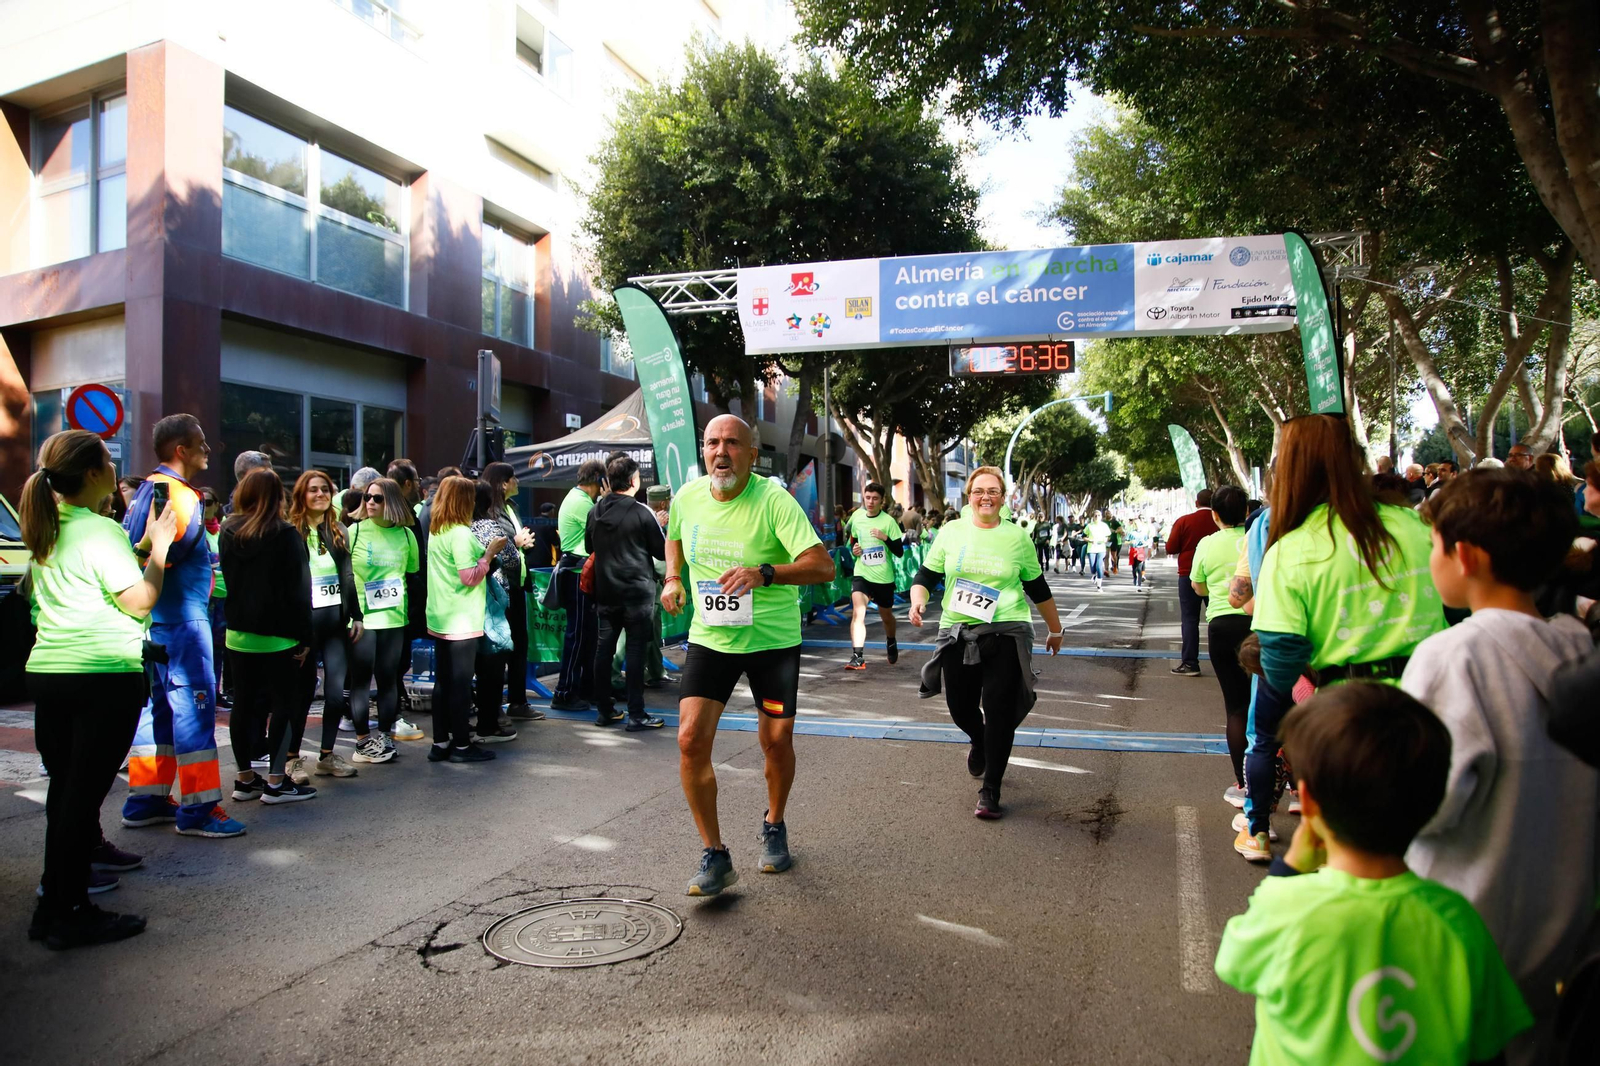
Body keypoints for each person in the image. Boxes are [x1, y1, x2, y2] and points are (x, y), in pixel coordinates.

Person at [1215, 683, 1532, 1065]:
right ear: (1432, 804)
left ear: (1310, 802)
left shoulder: (1287, 907)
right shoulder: (1459, 921)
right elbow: (1489, 1047)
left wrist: (1289, 868)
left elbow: (1234, 963)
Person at [1402, 471, 1595, 1053]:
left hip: (1461, 941)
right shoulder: (1582, 649)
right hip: (1565, 945)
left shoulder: (1453, 656)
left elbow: (1419, 802)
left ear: (1466, 557)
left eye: (1434, 547)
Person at [1238, 415, 1445, 862]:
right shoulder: (1415, 527)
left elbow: (1280, 661)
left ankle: (1257, 825)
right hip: (1435, 708)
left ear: (1289, 472)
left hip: (1350, 729)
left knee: (1354, 859)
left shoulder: (1291, 550)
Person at [661, 414, 835, 896]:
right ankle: (715, 855)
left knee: (775, 742)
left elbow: (822, 566)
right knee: (690, 738)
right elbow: (674, 535)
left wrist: (765, 573)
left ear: (752, 454)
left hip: (772, 642)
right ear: (704, 450)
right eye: (713, 443)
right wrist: (672, 578)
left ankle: (774, 822)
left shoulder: (774, 500)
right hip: (711, 636)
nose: (722, 452)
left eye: (733, 443)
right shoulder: (688, 496)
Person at [22, 430, 179, 949]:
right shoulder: (97, 530)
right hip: (101, 674)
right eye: (109, 464)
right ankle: (69, 912)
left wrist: (137, 548)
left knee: (66, 794)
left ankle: (54, 905)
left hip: (52, 672)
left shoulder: (48, 526)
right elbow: (138, 601)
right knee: (81, 798)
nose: (116, 472)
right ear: (93, 474)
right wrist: (157, 551)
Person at [909, 467, 1064, 820]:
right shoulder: (952, 532)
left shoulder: (1017, 538)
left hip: (1006, 631)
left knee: (999, 711)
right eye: (979, 491)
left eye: (993, 491)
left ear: (1003, 496)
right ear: (969, 495)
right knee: (960, 707)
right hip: (958, 631)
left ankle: (990, 788)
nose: (986, 497)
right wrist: (918, 600)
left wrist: (1055, 630)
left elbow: (1037, 588)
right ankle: (978, 740)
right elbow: (926, 576)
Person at [119, 414, 243, 838]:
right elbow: (161, 556)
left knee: (159, 712)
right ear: (181, 450)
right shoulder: (180, 496)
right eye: (202, 443)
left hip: (154, 622)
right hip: (184, 623)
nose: (208, 450)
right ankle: (199, 811)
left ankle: (147, 799)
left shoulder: (144, 492)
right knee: (194, 713)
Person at [221, 468, 317, 804]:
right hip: (280, 636)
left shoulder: (227, 531)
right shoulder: (287, 534)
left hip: (238, 634)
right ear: (279, 497)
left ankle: (244, 777)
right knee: (284, 706)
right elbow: (300, 591)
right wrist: (306, 637)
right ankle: (277, 781)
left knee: (243, 706)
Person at [286, 471, 365, 779]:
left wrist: (356, 615)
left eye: (324, 490)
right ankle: (291, 758)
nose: (319, 494)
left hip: (335, 623)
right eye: (312, 490)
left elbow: (347, 575)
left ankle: (327, 755)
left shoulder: (338, 530)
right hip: (303, 627)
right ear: (301, 496)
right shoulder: (291, 532)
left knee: (335, 694)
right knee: (302, 694)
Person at [426, 476, 505, 763]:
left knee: (443, 682)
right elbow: (469, 576)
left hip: (440, 614)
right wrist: (489, 554)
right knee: (460, 683)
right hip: (461, 617)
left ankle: (440, 741)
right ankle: (461, 745)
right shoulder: (460, 533)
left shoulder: (438, 530)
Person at [587, 454, 668, 730]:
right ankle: (636, 714)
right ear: (634, 481)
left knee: (603, 651)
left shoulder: (594, 511)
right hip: (637, 594)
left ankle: (605, 710)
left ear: (609, 481)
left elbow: (589, 547)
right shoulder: (642, 512)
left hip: (606, 592)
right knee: (635, 652)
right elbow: (660, 550)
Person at [344, 477, 418, 762]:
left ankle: (385, 737)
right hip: (362, 619)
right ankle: (363, 742)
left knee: (389, 680)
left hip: (394, 619)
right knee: (361, 681)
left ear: (393, 502)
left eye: (378, 498)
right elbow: (345, 574)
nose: (370, 503)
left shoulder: (407, 535)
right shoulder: (355, 531)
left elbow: (411, 573)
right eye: (367, 497)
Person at [1189, 486, 1252, 811]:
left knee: (1236, 707)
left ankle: (1242, 783)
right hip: (1259, 623)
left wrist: (1213, 592)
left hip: (1221, 626)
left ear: (1214, 515)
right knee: (1275, 705)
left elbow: (1196, 583)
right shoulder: (1257, 539)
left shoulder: (1208, 544)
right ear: (1246, 512)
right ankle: (1297, 788)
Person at [479, 462, 539, 723]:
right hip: (499, 586)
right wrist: (516, 543)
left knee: (519, 644)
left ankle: (517, 700)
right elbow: (494, 544)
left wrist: (521, 545)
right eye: (513, 478)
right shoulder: (490, 512)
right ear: (503, 483)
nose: (517, 481)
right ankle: (498, 707)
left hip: (517, 583)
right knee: (502, 646)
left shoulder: (510, 508)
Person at [469, 478, 521, 744]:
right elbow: (511, 558)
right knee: (492, 663)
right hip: (490, 601)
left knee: (470, 666)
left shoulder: (450, 528)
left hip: (461, 605)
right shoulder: (487, 526)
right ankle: (488, 724)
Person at [552, 459, 606, 712]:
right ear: (598, 480)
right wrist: (606, 501)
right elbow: (602, 529)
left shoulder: (580, 500)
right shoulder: (582, 503)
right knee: (578, 635)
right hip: (577, 572)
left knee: (586, 636)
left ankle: (585, 687)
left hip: (579, 571)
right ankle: (564, 692)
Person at [844, 481, 905, 671]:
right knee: (858, 612)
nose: (870, 502)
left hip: (883, 578)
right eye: (868, 497)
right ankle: (857, 656)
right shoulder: (857, 517)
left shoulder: (888, 522)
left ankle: (891, 640)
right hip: (862, 573)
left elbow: (900, 552)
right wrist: (855, 549)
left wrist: (884, 538)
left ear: (882, 501)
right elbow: (853, 539)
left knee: (886, 616)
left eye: (875, 499)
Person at [1163, 489, 1215, 677]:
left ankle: (1191, 663)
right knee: (1216, 618)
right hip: (1216, 574)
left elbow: (1171, 547)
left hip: (1188, 574)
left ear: (1196, 503)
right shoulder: (1220, 520)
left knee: (1190, 619)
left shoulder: (1184, 521)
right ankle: (1223, 661)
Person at [200, 488, 229, 708]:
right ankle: (206, 690)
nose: (204, 506)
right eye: (199, 502)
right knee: (204, 647)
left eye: (208, 502)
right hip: (205, 599)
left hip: (226, 596)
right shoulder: (195, 532)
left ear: (217, 504)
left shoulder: (223, 530)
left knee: (219, 647)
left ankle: (217, 691)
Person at [1082, 509, 1111, 592]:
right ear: (1093, 517)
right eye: (1095, 515)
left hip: (1101, 548)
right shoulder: (1089, 526)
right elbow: (1083, 536)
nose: (1097, 517)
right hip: (1091, 548)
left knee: (1099, 565)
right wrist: (1090, 540)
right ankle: (1094, 575)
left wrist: (1106, 539)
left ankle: (1099, 585)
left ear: (1101, 517)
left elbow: (1108, 536)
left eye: (1099, 515)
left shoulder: (1104, 526)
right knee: (1093, 567)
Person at [1125, 518, 1150, 589]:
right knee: (1134, 568)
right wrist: (1130, 542)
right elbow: (1126, 541)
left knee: (1139, 568)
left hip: (1140, 551)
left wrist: (1144, 542)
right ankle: (1135, 578)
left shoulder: (1144, 533)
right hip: (1133, 550)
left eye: (1138, 524)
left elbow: (1147, 542)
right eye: (1135, 524)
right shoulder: (1131, 533)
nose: (1137, 525)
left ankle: (1139, 585)